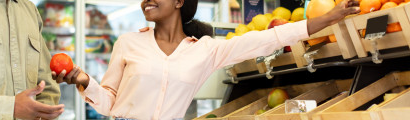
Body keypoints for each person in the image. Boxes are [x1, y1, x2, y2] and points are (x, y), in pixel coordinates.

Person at [53, 0, 360, 119]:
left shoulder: (205, 50)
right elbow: (109, 104)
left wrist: (327, 18)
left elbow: (270, 38)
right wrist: (83, 80)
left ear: (178, 1)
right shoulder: (128, 42)